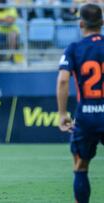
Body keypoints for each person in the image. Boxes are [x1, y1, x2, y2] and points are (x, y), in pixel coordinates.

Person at [56, 3, 104, 203]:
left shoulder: (74, 48)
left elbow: (63, 80)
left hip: (86, 115)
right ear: (102, 23)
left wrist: (62, 114)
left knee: (81, 166)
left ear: (81, 23)